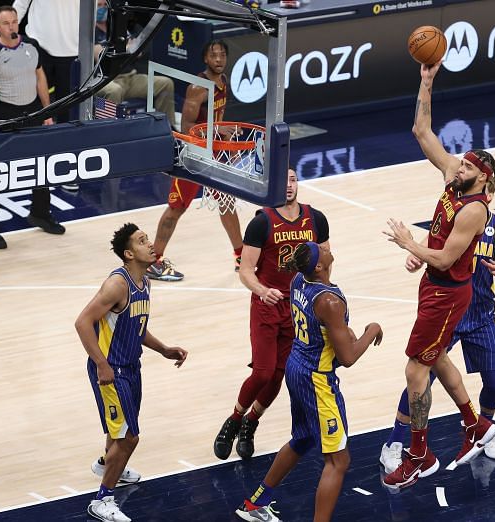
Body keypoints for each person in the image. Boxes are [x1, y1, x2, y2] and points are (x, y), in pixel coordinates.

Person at [381, 61, 495, 490]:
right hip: (436, 287)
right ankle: (475, 425)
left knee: (417, 371)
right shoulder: (454, 178)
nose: (459, 165)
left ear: (482, 178)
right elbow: (422, 132)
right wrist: (426, 83)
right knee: (440, 358)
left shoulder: (475, 209)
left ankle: (419, 453)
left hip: (448, 293)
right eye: (461, 162)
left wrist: (409, 244)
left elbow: (448, 256)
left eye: (468, 165)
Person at [380, 177, 495, 473]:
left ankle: (482, 429)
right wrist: (415, 256)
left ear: (491, 197)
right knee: (421, 376)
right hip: (452, 313)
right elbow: (436, 253)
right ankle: (394, 441)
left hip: (481, 316)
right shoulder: (457, 219)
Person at [235, 241, 383, 522]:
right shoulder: (329, 301)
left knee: (302, 438)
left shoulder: (298, 281)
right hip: (317, 379)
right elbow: (348, 357)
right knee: (339, 461)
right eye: (321, 250)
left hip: (297, 365)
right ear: (318, 265)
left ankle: (256, 503)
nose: (326, 248)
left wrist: (344, 331)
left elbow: (323, 327)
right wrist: (370, 330)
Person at [213, 167, 329, 461]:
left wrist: (320, 294)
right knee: (263, 371)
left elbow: (325, 262)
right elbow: (245, 270)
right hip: (266, 305)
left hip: (298, 307)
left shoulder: (316, 219)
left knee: (279, 375)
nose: (288, 185)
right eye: (283, 180)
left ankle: (252, 422)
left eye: (292, 179)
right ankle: (234, 420)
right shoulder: (261, 222)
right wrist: (262, 290)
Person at [75, 223, 188, 522]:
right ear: (128, 253)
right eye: (142, 241)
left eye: (147, 239)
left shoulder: (145, 282)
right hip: (111, 369)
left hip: (131, 366)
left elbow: (135, 327)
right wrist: (102, 364)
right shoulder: (118, 284)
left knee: (121, 428)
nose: (150, 244)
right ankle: (102, 500)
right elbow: (82, 323)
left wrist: (163, 349)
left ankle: (107, 464)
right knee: (129, 438)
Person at [145, 39, 244, 281]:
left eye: (222, 55)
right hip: (193, 152)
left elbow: (217, 118)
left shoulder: (223, 82)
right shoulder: (198, 87)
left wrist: (226, 139)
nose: (219, 59)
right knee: (176, 208)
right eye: (214, 55)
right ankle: (153, 261)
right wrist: (217, 132)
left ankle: (241, 255)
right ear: (205, 60)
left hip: (213, 150)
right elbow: (187, 125)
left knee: (226, 202)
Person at [0, 5, 63, 250]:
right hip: (5, 116)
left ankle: (40, 213)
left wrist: (46, 111)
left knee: (41, 165)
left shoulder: (31, 46)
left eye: (15, 22)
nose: (12, 27)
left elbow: (40, 77)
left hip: (33, 113)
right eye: (6, 23)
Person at [94, 0, 175, 125]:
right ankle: (106, 132)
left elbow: (138, 51)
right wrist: (126, 48)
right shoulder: (89, 31)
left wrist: (123, 50)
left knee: (166, 84)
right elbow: (99, 55)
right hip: (104, 81)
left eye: (105, 5)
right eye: (99, 5)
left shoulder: (116, 25)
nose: (103, 8)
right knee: (114, 91)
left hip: (129, 78)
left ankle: (167, 128)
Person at [13, 0, 78, 123]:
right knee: (30, 103)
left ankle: (67, 139)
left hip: (73, 49)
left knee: (68, 111)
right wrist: (10, 32)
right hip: (38, 44)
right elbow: (21, 3)